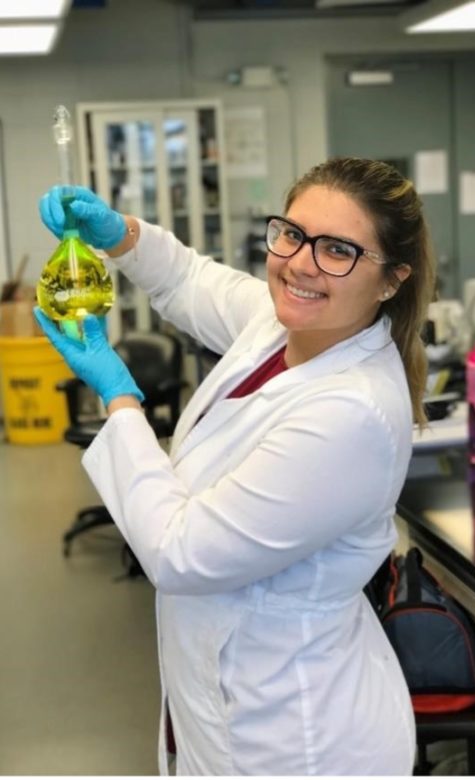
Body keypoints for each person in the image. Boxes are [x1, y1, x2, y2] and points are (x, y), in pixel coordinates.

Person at [35, 156, 436, 776]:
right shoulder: (284, 328)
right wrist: (117, 233)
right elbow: (190, 280)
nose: (301, 262)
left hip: (297, 736)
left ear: (392, 279)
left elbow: (179, 553)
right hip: (231, 687)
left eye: (339, 250)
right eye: (293, 234)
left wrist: (119, 399)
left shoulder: (351, 413)